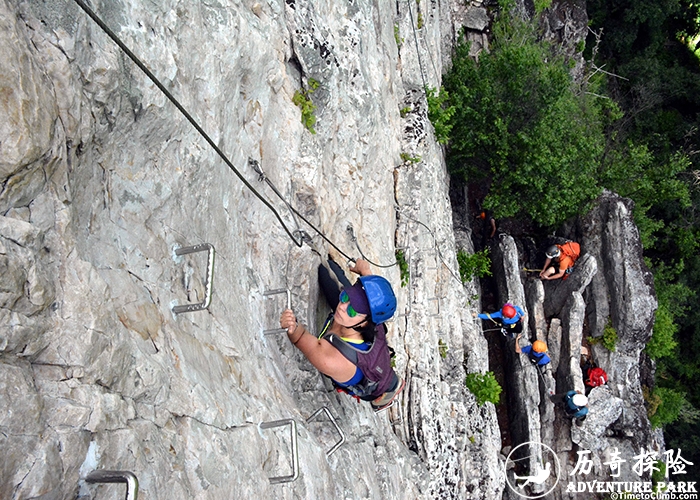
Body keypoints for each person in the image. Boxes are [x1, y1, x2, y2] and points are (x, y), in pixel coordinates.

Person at [279, 258, 405, 412]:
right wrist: (364, 271)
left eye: (353, 309)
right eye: (346, 297)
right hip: (371, 350)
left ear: (364, 323)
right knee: (324, 270)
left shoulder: (333, 360)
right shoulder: (366, 318)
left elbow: (299, 337)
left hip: (369, 382)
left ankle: (385, 395)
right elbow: (370, 296)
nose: (342, 307)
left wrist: (292, 326)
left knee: (375, 380)